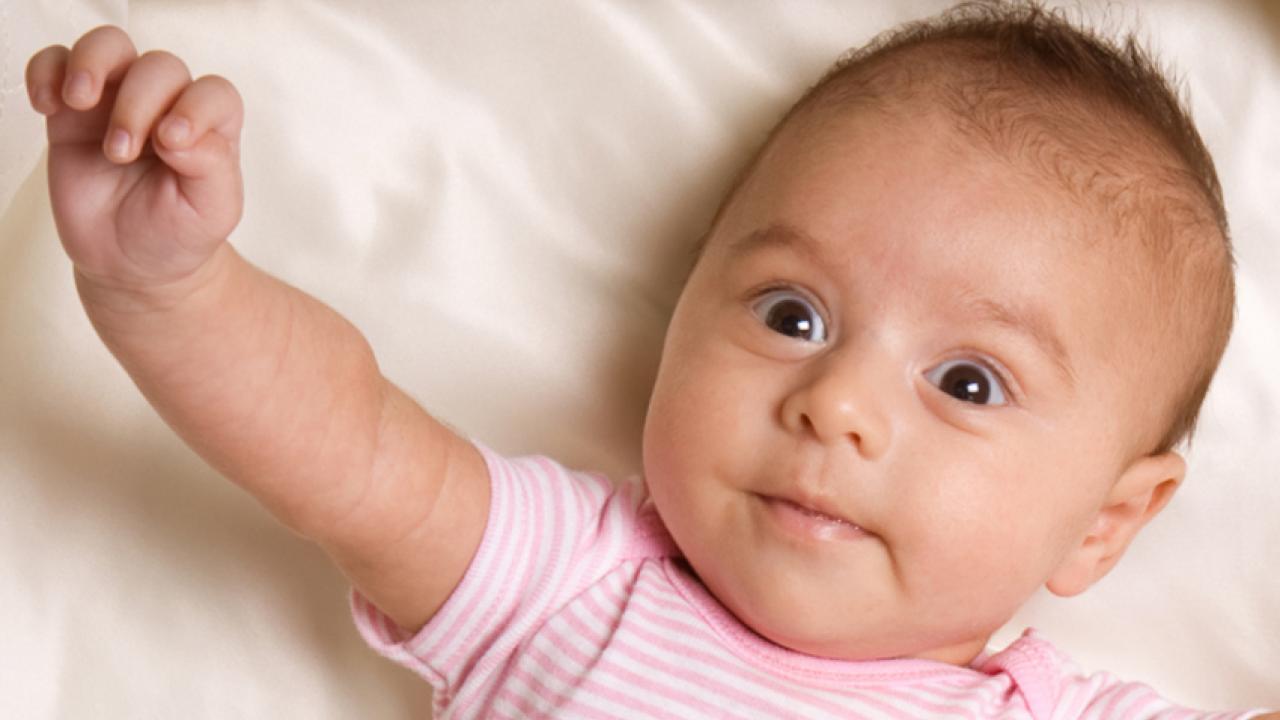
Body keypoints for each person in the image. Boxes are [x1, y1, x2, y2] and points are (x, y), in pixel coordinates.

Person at [23, 1, 1275, 717]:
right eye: (791, 313)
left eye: (967, 382)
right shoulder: (575, 583)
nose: (834, 402)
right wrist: (171, 284)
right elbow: (339, 440)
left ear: (1105, 522)